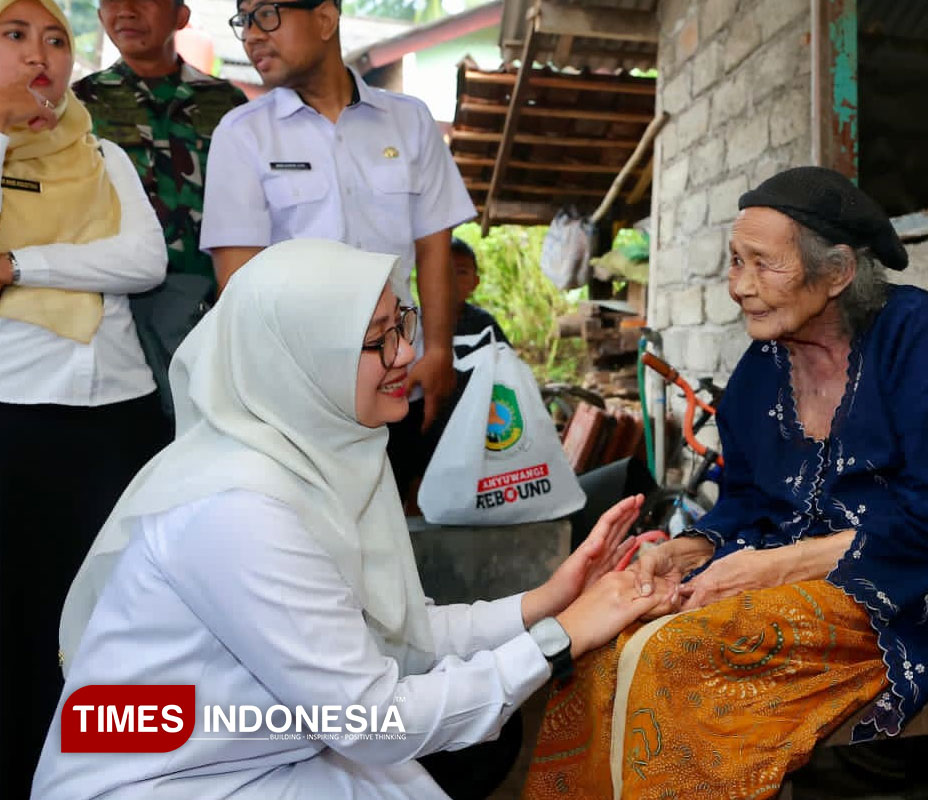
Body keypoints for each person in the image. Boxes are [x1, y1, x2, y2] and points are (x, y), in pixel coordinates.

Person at [32, 239, 672, 799]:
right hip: (164, 780)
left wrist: (544, 603)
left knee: (473, 743)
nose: (404, 356)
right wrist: (562, 636)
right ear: (297, 361)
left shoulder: (319, 455)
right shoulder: (236, 510)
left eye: (404, 325)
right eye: (375, 340)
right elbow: (373, 718)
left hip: (250, 752)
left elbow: (399, 632)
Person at [522, 167, 928, 799]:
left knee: (678, 654)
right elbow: (748, 501)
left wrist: (768, 569)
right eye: (735, 262)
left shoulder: (910, 332)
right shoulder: (762, 367)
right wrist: (690, 549)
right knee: (606, 638)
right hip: (793, 587)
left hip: (906, 594)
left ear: (836, 273)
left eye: (762, 264)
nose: (740, 287)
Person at [0, 0, 168, 793]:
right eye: (16, 35)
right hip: (15, 413)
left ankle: (105, 776)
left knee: (113, 608)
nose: (43, 54)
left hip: (117, 412)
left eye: (57, 39)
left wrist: (21, 264)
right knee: (23, 613)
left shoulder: (104, 155)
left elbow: (143, 261)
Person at [199, 0, 470, 441]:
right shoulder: (242, 133)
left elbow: (434, 250)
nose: (251, 35)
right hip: (301, 394)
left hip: (397, 379)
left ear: (325, 18)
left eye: (266, 15)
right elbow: (238, 285)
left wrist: (439, 350)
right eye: (243, 21)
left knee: (392, 507)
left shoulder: (410, 121)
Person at [74, 0, 247, 302]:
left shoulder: (227, 102)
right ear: (100, 16)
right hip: (118, 297)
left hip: (213, 294)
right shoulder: (78, 105)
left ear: (181, 16)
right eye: (111, 1)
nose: (126, 10)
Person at [388, 236, 508, 504]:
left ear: (475, 282)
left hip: (473, 415)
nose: (452, 281)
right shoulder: (413, 325)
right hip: (430, 415)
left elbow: (505, 367)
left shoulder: (483, 324)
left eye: (462, 272)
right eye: (447, 272)